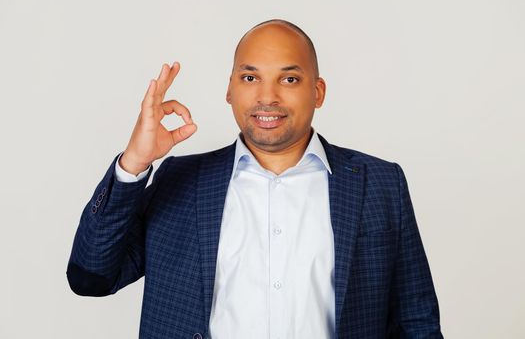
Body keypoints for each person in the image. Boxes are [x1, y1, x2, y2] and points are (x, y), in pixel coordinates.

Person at [67, 19, 443, 339]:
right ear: (230, 90)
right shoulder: (180, 181)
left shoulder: (380, 184)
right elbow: (90, 278)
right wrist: (134, 163)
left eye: (290, 79)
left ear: (318, 91)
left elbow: (417, 322)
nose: (268, 96)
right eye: (250, 77)